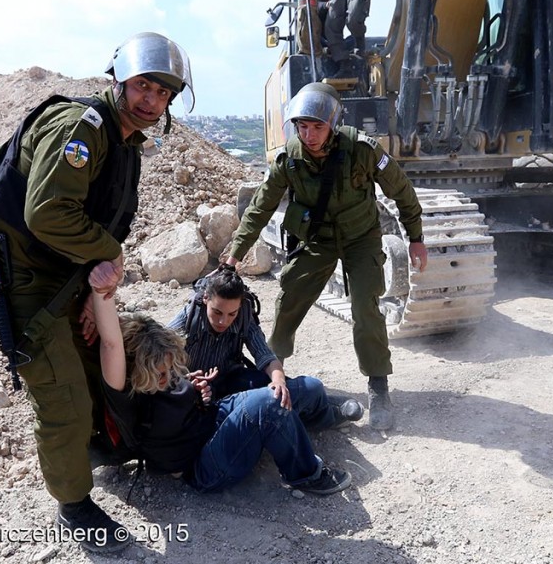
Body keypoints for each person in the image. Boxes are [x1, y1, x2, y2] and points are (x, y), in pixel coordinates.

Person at [0, 31, 193, 554]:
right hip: (27, 285)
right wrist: (111, 255)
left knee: (97, 372)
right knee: (64, 399)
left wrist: (86, 291)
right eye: (143, 86)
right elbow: (48, 213)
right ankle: (74, 505)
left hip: (64, 280)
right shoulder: (85, 127)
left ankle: (95, 455)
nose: (151, 100)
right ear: (120, 80)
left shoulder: (124, 144)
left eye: (162, 93)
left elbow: (92, 226)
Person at [225, 82, 428, 431]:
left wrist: (415, 237)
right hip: (317, 239)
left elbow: (401, 190)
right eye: (302, 126)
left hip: (360, 238)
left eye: (317, 126)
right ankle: (272, 374)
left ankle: (378, 386)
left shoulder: (362, 150)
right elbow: (260, 207)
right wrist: (235, 254)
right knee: (289, 297)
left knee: (366, 306)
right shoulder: (289, 158)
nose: (309, 134)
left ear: (333, 124)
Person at [90, 282, 353, 498]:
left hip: (212, 418)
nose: (169, 377)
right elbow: (112, 344)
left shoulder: (166, 374)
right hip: (201, 465)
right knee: (269, 404)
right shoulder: (124, 392)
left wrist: (194, 390)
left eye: (171, 371)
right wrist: (101, 287)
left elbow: (176, 395)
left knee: (305, 389)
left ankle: (321, 417)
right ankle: (308, 475)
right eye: (161, 374)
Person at [169, 266, 364, 426]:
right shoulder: (188, 319)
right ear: (205, 299)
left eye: (231, 314)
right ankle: (325, 410)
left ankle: (322, 406)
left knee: (298, 388)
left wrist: (279, 381)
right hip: (196, 391)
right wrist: (187, 382)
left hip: (232, 380)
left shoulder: (244, 315)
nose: (223, 321)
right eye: (217, 312)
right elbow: (154, 357)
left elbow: (264, 355)